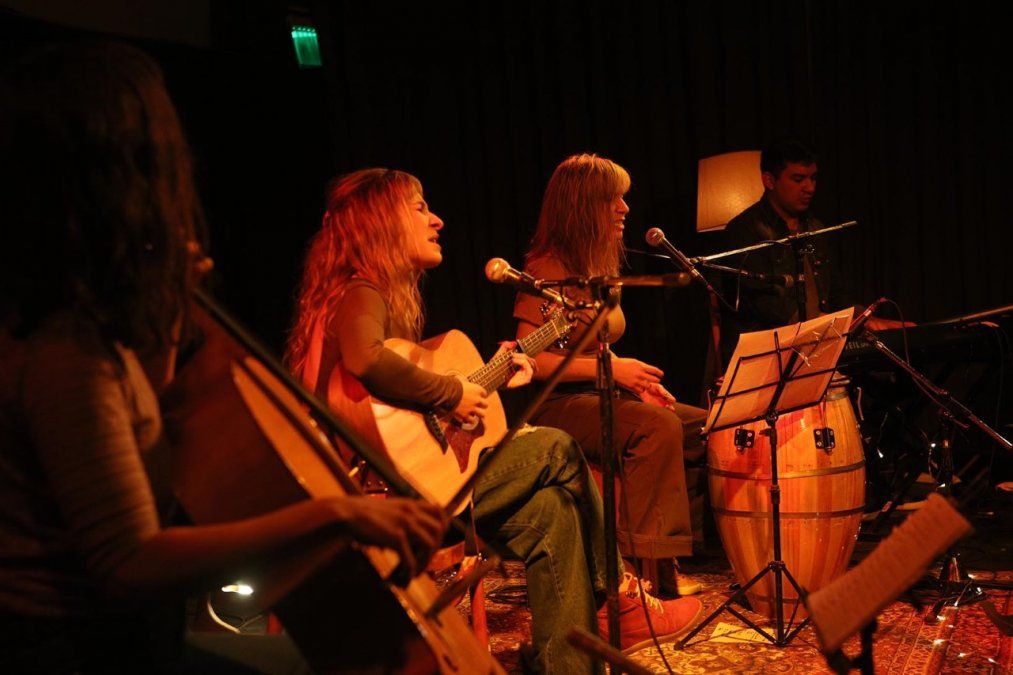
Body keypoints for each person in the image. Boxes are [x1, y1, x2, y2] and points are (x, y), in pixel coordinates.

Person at [0, 43, 449, 674]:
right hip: (76, 652)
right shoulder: (63, 349)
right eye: (160, 158)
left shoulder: (86, 329)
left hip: (127, 638)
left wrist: (167, 325)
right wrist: (335, 512)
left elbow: (151, 455)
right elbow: (128, 561)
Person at [286, 168, 704, 667]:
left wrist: (495, 375)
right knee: (556, 447)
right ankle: (621, 592)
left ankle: (567, 665)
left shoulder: (367, 298)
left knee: (554, 512)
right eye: (420, 208)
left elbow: (400, 416)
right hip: (391, 501)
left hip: (413, 486)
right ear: (381, 222)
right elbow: (366, 360)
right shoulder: (361, 290)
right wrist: (450, 393)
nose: (437, 220)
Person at [514, 153, 707, 599]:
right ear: (582, 206)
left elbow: (596, 343)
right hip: (558, 403)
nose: (624, 208)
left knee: (705, 425)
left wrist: (639, 383)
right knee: (658, 427)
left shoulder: (598, 266)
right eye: (612, 199)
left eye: (623, 198)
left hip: (601, 392)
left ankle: (669, 551)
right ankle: (645, 572)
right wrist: (614, 371)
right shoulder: (547, 269)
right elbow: (531, 359)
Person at [718, 137, 904, 363]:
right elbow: (764, 304)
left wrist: (863, 318)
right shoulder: (744, 230)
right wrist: (827, 323)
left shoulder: (815, 227)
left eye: (813, 178)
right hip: (769, 354)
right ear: (769, 180)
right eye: (798, 179)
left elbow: (835, 292)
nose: (810, 188)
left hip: (819, 344)